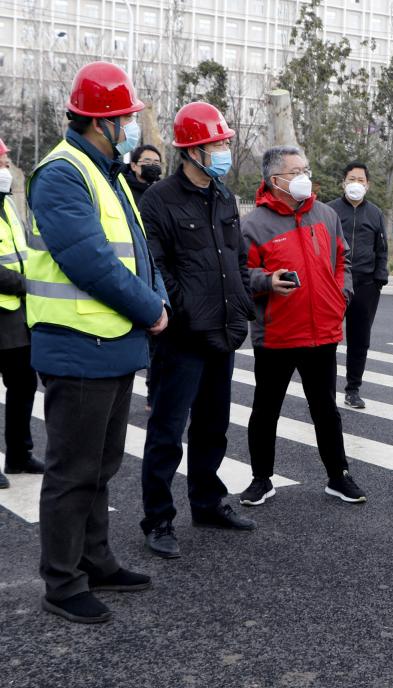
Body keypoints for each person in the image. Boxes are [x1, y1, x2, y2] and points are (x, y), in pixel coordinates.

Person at [26, 61, 168, 624]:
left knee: (102, 464)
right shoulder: (62, 172)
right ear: (100, 121)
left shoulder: (105, 171)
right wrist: (149, 308)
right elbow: (89, 261)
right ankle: (62, 583)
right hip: (78, 343)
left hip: (110, 342)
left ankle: (96, 559)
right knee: (73, 470)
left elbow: (137, 251)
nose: (132, 126)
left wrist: (158, 298)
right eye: (125, 117)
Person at [138, 102, 256, 559]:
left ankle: (207, 502)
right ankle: (158, 518)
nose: (224, 150)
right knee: (167, 432)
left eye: (224, 142)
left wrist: (241, 302)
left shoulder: (223, 196)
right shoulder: (159, 199)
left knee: (213, 427)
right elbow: (156, 265)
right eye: (217, 144)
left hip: (222, 332)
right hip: (182, 337)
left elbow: (237, 258)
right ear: (192, 151)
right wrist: (183, 309)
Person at [238, 146, 365, 507]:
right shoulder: (254, 224)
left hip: (322, 332)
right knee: (266, 409)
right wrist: (265, 281)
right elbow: (240, 273)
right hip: (276, 334)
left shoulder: (325, 215)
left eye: (305, 170)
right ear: (274, 180)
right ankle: (261, 479)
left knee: (326, 409)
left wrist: (342, 295)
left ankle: (338, 476)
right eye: (294, 172)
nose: (303, 177)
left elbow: (342, 259)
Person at [326, 161, 389, 409]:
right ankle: (324, 391)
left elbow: (381, 249)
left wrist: (379, 279)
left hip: (366, 284)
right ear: (343, 183)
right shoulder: (329, 210)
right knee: (327, 339)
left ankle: (353, 389)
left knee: (359, 339)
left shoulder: (375, 213)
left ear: (368, 185)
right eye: (351, 179)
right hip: (334, 282)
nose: (356, 184)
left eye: (361, 180)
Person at [0, 137, 43, 490]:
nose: (6, 169)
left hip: (16, 316)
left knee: (24, 383)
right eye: (1, 163)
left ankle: (18, 454)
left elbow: (22, 248)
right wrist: (24, 284)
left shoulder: (8, 204)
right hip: (10, 301)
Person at [124, 144, 163, 411]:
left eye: (157, 162)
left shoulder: (160, 193)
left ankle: (154, 393)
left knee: (159, 340)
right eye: (147, 161)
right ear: (134, 165)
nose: (153, 166)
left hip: (156, 269)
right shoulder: (123, 190)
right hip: (133, 271)